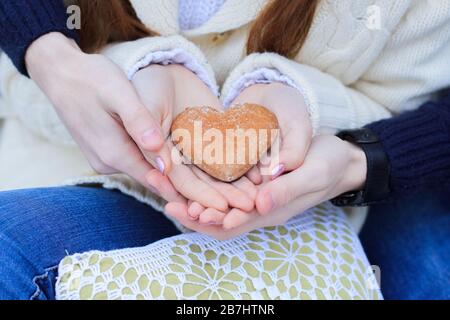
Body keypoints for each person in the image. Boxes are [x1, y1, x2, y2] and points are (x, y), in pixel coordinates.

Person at [1, 0, 450, 300]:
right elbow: (13, 68)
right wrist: (87, 69)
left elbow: (412, 101)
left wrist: (338, 139)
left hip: (313, 217)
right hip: (61, 170)